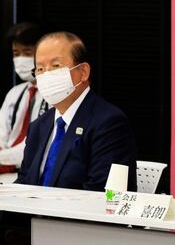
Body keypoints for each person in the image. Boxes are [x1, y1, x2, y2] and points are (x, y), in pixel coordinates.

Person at [16, 31, 137, 191]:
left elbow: (101, 191)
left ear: (83, 72)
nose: (47, 75)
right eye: (40, 69)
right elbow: (23, 183)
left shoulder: (108, 123)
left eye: (56, 66)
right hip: (33, 215)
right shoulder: (39, 126)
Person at [0, 23, 48, 181]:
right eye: (16, 53)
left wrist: (3, 158)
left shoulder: (54, 94)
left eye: (27, 52)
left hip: (33, 175)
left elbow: (34, 147)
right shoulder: (15, 93)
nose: (20, 59)